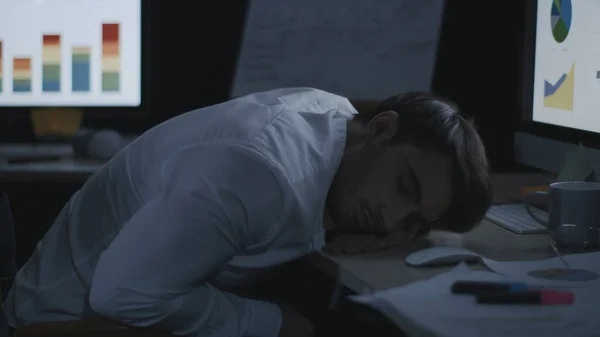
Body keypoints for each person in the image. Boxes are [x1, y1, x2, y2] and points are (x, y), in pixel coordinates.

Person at [2, 87, 492, 337]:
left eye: (413, 219)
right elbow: (123, 297)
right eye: (404, 185)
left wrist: (385, 233)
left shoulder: (337, 119)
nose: (389, 218)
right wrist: (272, 323)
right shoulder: (262, 174)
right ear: (383, 129)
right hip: (63, 324)